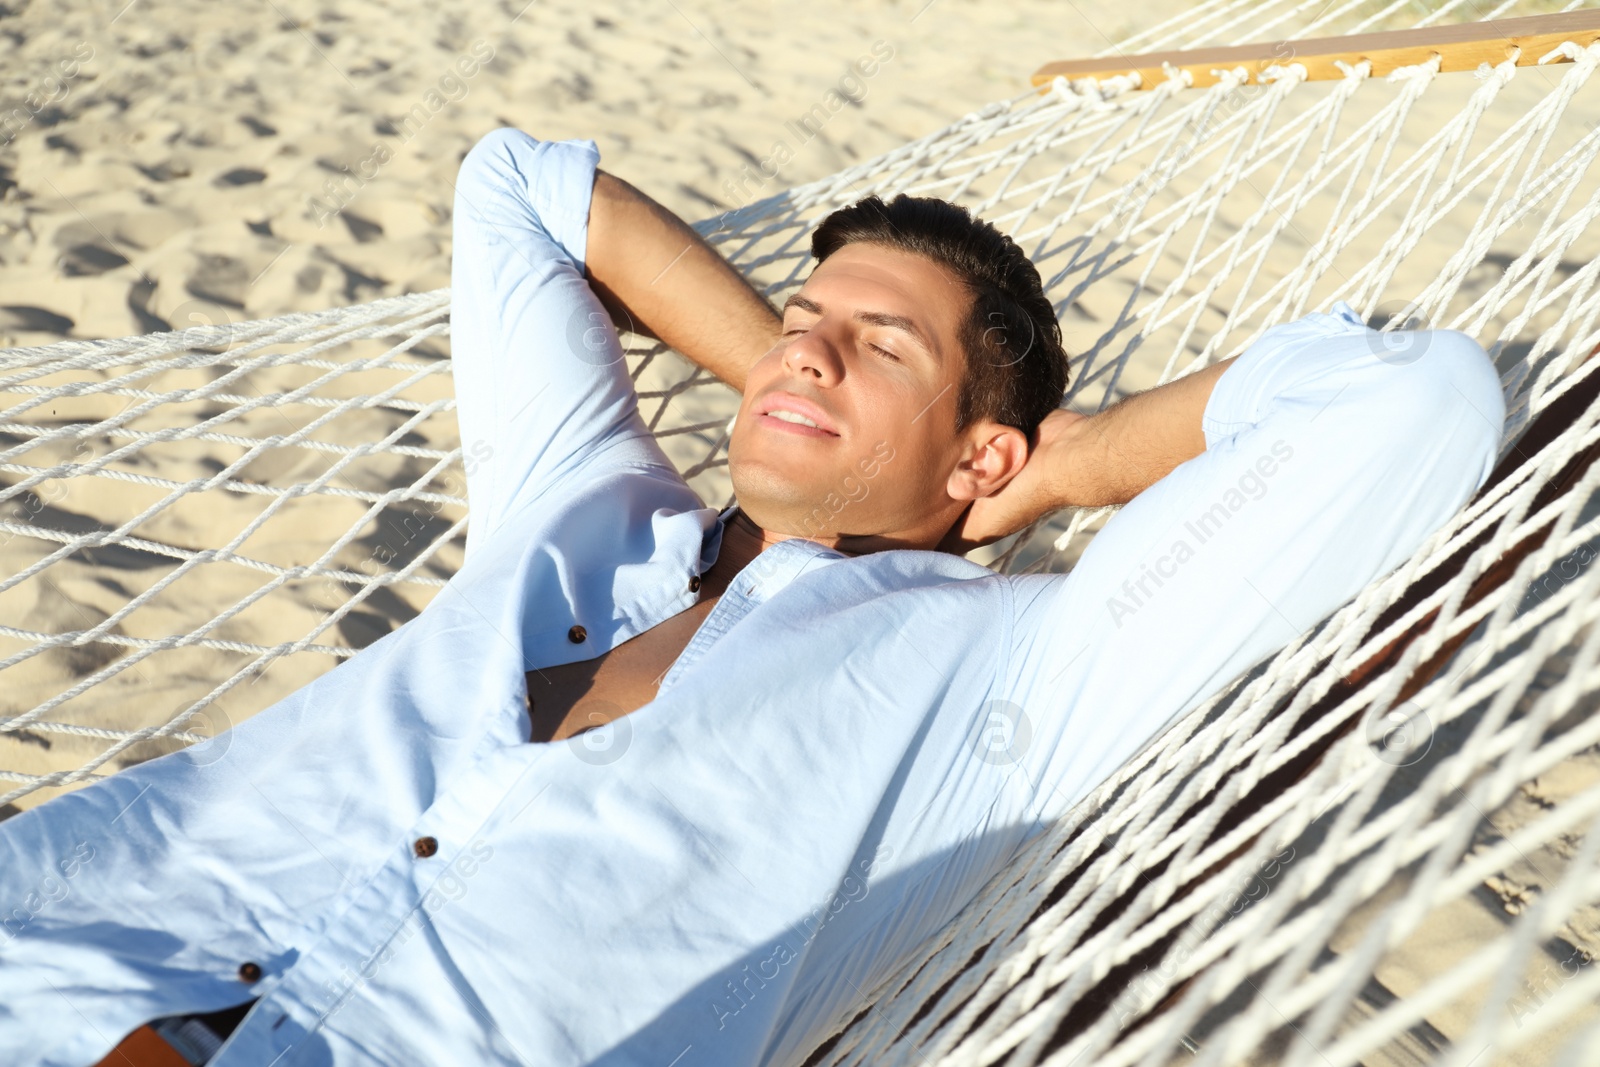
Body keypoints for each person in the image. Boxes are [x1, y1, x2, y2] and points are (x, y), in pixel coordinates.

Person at [0, 127, 1503, 1067]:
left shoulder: (1014, 673)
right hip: (50, 954)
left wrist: (1064, 468)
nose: (807, 350)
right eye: (801, 319)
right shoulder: (591, 508)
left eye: (879, 345)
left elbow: (1413, 402)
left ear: (983, 448)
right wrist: (803, 399)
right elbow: (514, 185)